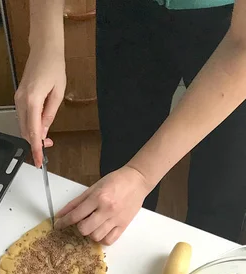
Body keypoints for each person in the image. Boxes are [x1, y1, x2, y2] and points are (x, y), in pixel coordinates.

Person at [15, 0, 246, 244]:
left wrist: (141, 175)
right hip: (127, 10)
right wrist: (45, 45)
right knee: (119, 170)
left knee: (221, 186)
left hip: (227, 20)